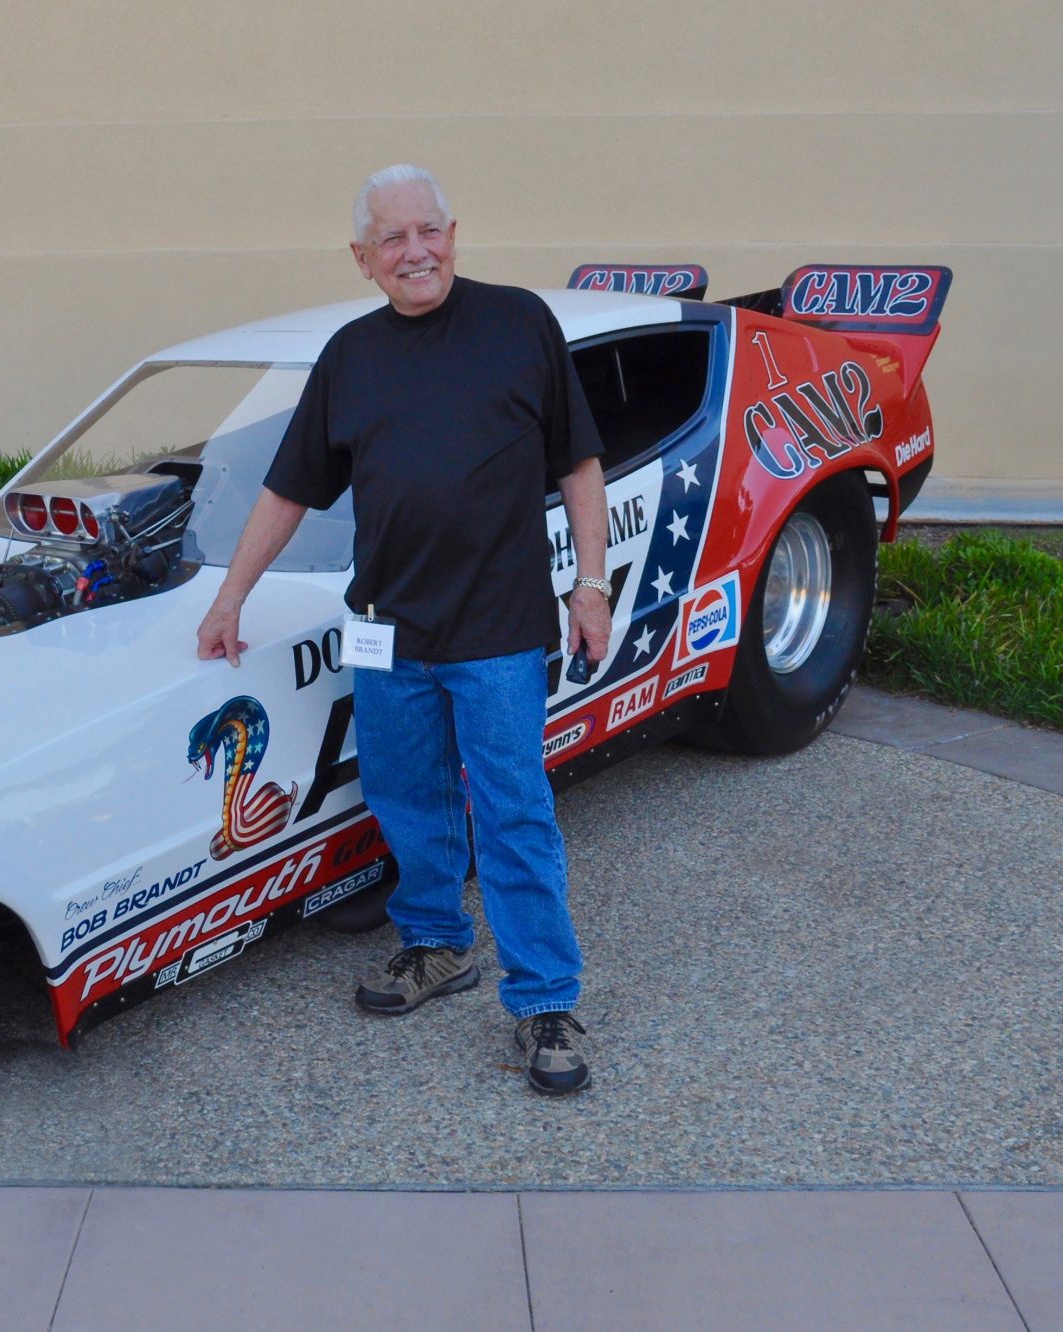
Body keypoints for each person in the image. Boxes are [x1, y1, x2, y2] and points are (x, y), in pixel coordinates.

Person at [194, 163, 613, 1095]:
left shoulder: (519, 325)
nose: (416, 251)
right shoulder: (351, 356)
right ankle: (435, 945)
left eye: (430, 231)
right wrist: (230, 600)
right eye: (394, 239)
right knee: (405, 793)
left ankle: (544, 999)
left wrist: (591, 586)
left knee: (513, 811)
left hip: (499, 631)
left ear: (454, 234)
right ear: (363, 259)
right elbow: (291, 487)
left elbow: (578, 463)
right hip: (387, 629)